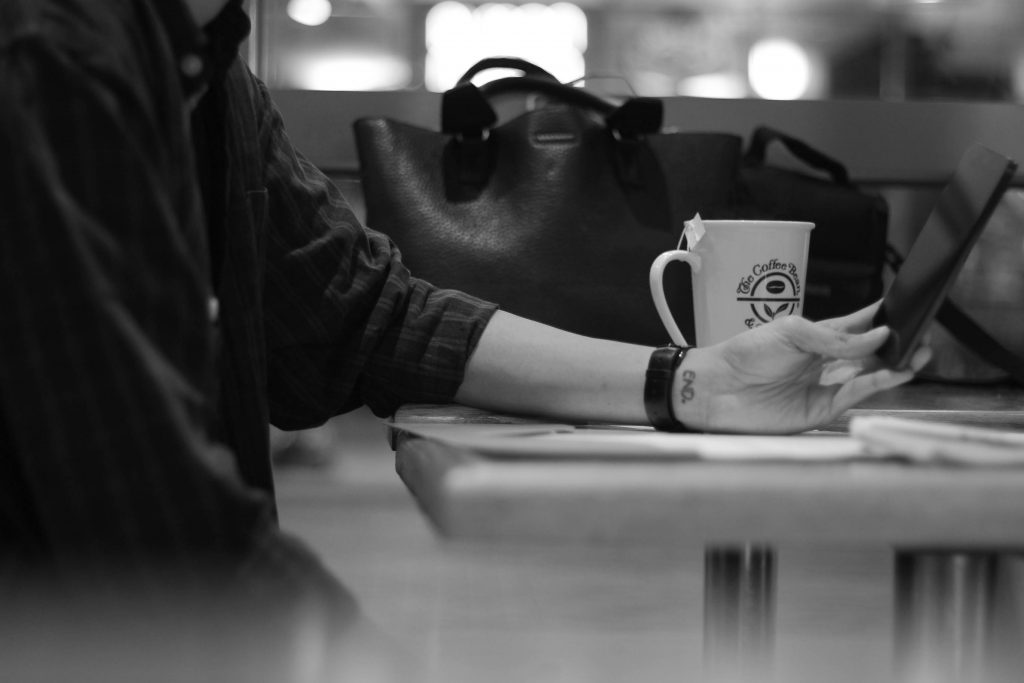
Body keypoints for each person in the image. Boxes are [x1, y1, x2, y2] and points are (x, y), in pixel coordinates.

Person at [0, 0, 928, 610]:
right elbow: (156, 533)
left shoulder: (210, 69)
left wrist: (693, 380)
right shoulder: (53, 57)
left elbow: (366, 313)